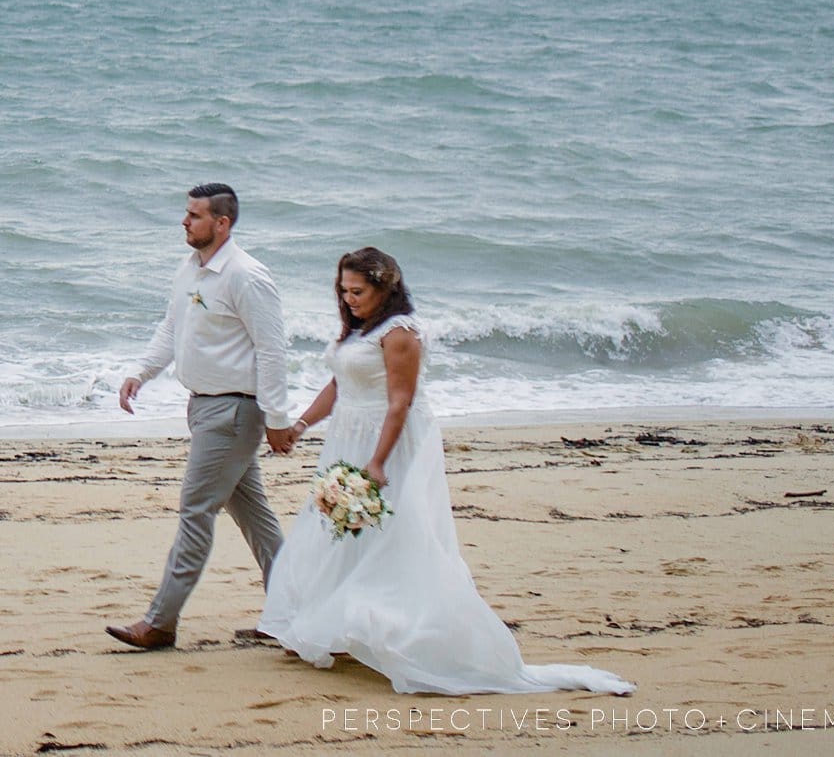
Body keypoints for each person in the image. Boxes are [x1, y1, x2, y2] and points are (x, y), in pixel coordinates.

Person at [255, 248, 633, 695]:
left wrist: (377, 461)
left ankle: (394, 631)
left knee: (391, 536)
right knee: (337, 530)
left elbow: (400, 402)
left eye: (357, 291)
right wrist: (301, 424)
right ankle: (327, 627)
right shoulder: (359, 329)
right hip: (348, 437)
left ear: (384, 288)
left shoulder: (400, 334)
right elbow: (340, 385)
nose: (349, 298)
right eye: (343, 290)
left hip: (389, 441)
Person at [106, 183, 289, 650]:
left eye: (194, 215)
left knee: (195, 511)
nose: (184, 222)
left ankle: (160, 622)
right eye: (185, 213)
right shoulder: (189, 268)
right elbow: (172, 328)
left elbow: (272, 350)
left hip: (234, 411)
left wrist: (276, 417)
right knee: (255, 516)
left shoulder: (247, 276)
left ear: (222, 223)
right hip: (204, 407)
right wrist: (141, 373)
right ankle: (294, 610)